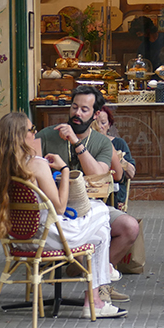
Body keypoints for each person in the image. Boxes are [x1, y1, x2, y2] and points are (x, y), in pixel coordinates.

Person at [0, 112, 125, 318]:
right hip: (49, 238)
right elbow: (60, 207)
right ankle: (100, 287)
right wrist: (64, 169)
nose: (35, 134)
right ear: (21, 136)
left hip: (19, 240)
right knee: (99, 210)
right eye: (32, 130)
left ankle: (96, 299)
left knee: (100, 234)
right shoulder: (36, 164)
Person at [37, 85, 141, 290]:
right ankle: (97, 287)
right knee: (101, 226)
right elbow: (27, 165)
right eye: (74, 107)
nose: (77, 113)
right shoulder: (47, 135)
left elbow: (97, 175)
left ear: (95, 114)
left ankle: (87, 271)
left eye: (85, 109)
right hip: (54, 209)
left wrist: (76, 142)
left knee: (130, 227)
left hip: (91, 206)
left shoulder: (102, 142)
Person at [94, 106, 136, 210]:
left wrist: (119, 159)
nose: (99, 127)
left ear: (109, 125)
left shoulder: (118, 143)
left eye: (103, 123)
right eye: (95, 123)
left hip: (115, 193)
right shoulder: (86, 145)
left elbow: (131, 173)